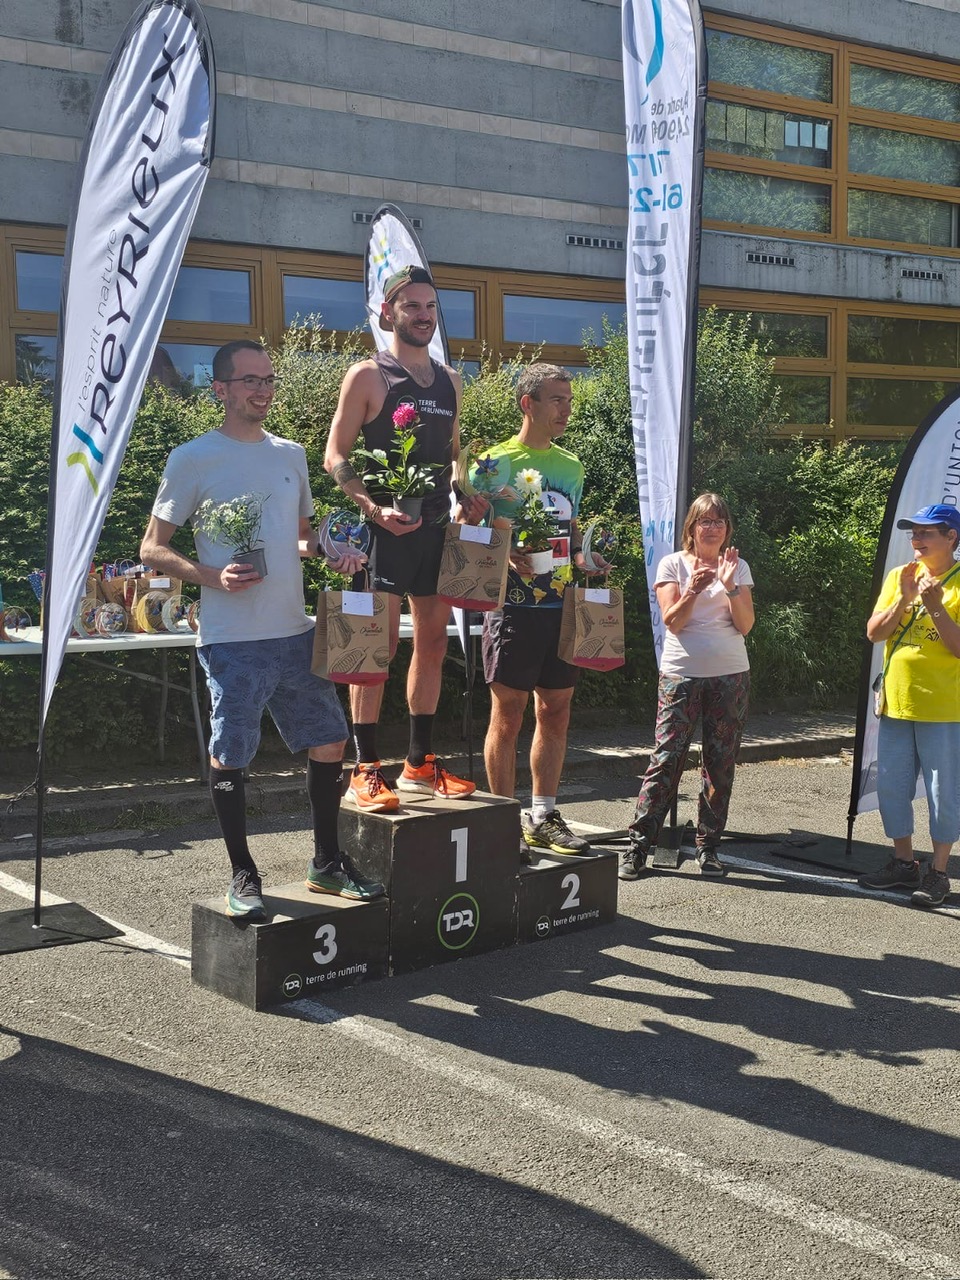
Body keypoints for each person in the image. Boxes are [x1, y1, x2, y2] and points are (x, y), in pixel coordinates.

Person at [140, 339, 384, 920]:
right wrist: (213, 576)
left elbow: (298, 539)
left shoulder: (291, 455)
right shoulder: (192, 458)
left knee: (330, 741)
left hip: (294, 630)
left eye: (269, 379)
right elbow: (151, 549)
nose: (263, 390)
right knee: (232, 754)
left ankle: (326, 862)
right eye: (250, 380)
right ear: (220, 389)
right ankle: (243, 872)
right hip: (232, 640)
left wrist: (330, 551)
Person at [324, 265, 486, 812]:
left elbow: (454, 454)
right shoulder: (368, 376)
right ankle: (365, 768)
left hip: (437, 531)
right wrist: (372, 507)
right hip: (384, 532)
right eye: (411, 306)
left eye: (430, 306)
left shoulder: (451, 380)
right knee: (376, 645)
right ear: (387, 312)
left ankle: (418, 762)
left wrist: (466, 493)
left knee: (434, 643)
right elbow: (334, 455)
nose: (423, 315)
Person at [475, 362, 609, 858]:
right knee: (508, 713)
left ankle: (543, 815)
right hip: (509, 605)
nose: (566, 410)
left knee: (556, 709)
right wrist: (503, 549)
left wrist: (587, 558)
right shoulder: (491, 464)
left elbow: (569, 534)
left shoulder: (571, 466)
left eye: (569, 401)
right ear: (526, 403)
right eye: (556, 400)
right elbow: (464, 534)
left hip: (561, 604)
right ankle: (503, 821)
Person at [619, 493, 755, 881]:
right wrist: (693, 589)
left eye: (718, 521)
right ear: (691, 529)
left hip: (730, 675)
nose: (712, 528)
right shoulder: (673, 564)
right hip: (681, 676)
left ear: (727, 529)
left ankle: (708, 846)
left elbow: (745, 625)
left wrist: (730, 587)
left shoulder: (737, 566)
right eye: (704, 521)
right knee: (666, 758)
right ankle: (639, 845)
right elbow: (673, 622)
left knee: (720, 762)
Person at [858, 503, 960, 908]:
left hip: (944, 709)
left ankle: (939, 872)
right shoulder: (900, 576)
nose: (916, 539)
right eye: (913, 532)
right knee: (892, 788)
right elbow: (874, 633)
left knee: (942, 793)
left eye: (926, 532)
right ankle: (903, 863)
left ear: (951, 537)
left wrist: (934, 604)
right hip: (897, 704)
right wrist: (903, 599)